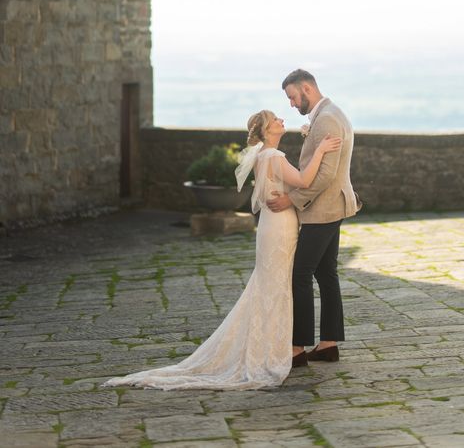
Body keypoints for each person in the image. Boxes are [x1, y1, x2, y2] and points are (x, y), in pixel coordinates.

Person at [102, 110, 341, 391]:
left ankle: (285, 346)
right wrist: (322, 149)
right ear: (265, 131)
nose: (281, 120)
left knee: (270, 284)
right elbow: (303, 181)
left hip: (270, 223)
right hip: (280, 225)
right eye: (275, 119)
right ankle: (283, 347)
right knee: (277, 284)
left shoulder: (263, 155)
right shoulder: (273, 157)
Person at [267, 69, 360, 367]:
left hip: (323, 209)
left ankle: (297, 349)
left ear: (306, 88)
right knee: (326, 274)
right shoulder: (330, 114)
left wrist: (291, 200)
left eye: (293, 97)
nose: (292, 105)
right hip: (335, 206)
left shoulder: (328, 119)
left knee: (300, 274)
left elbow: (324, 175)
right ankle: (329, 344)